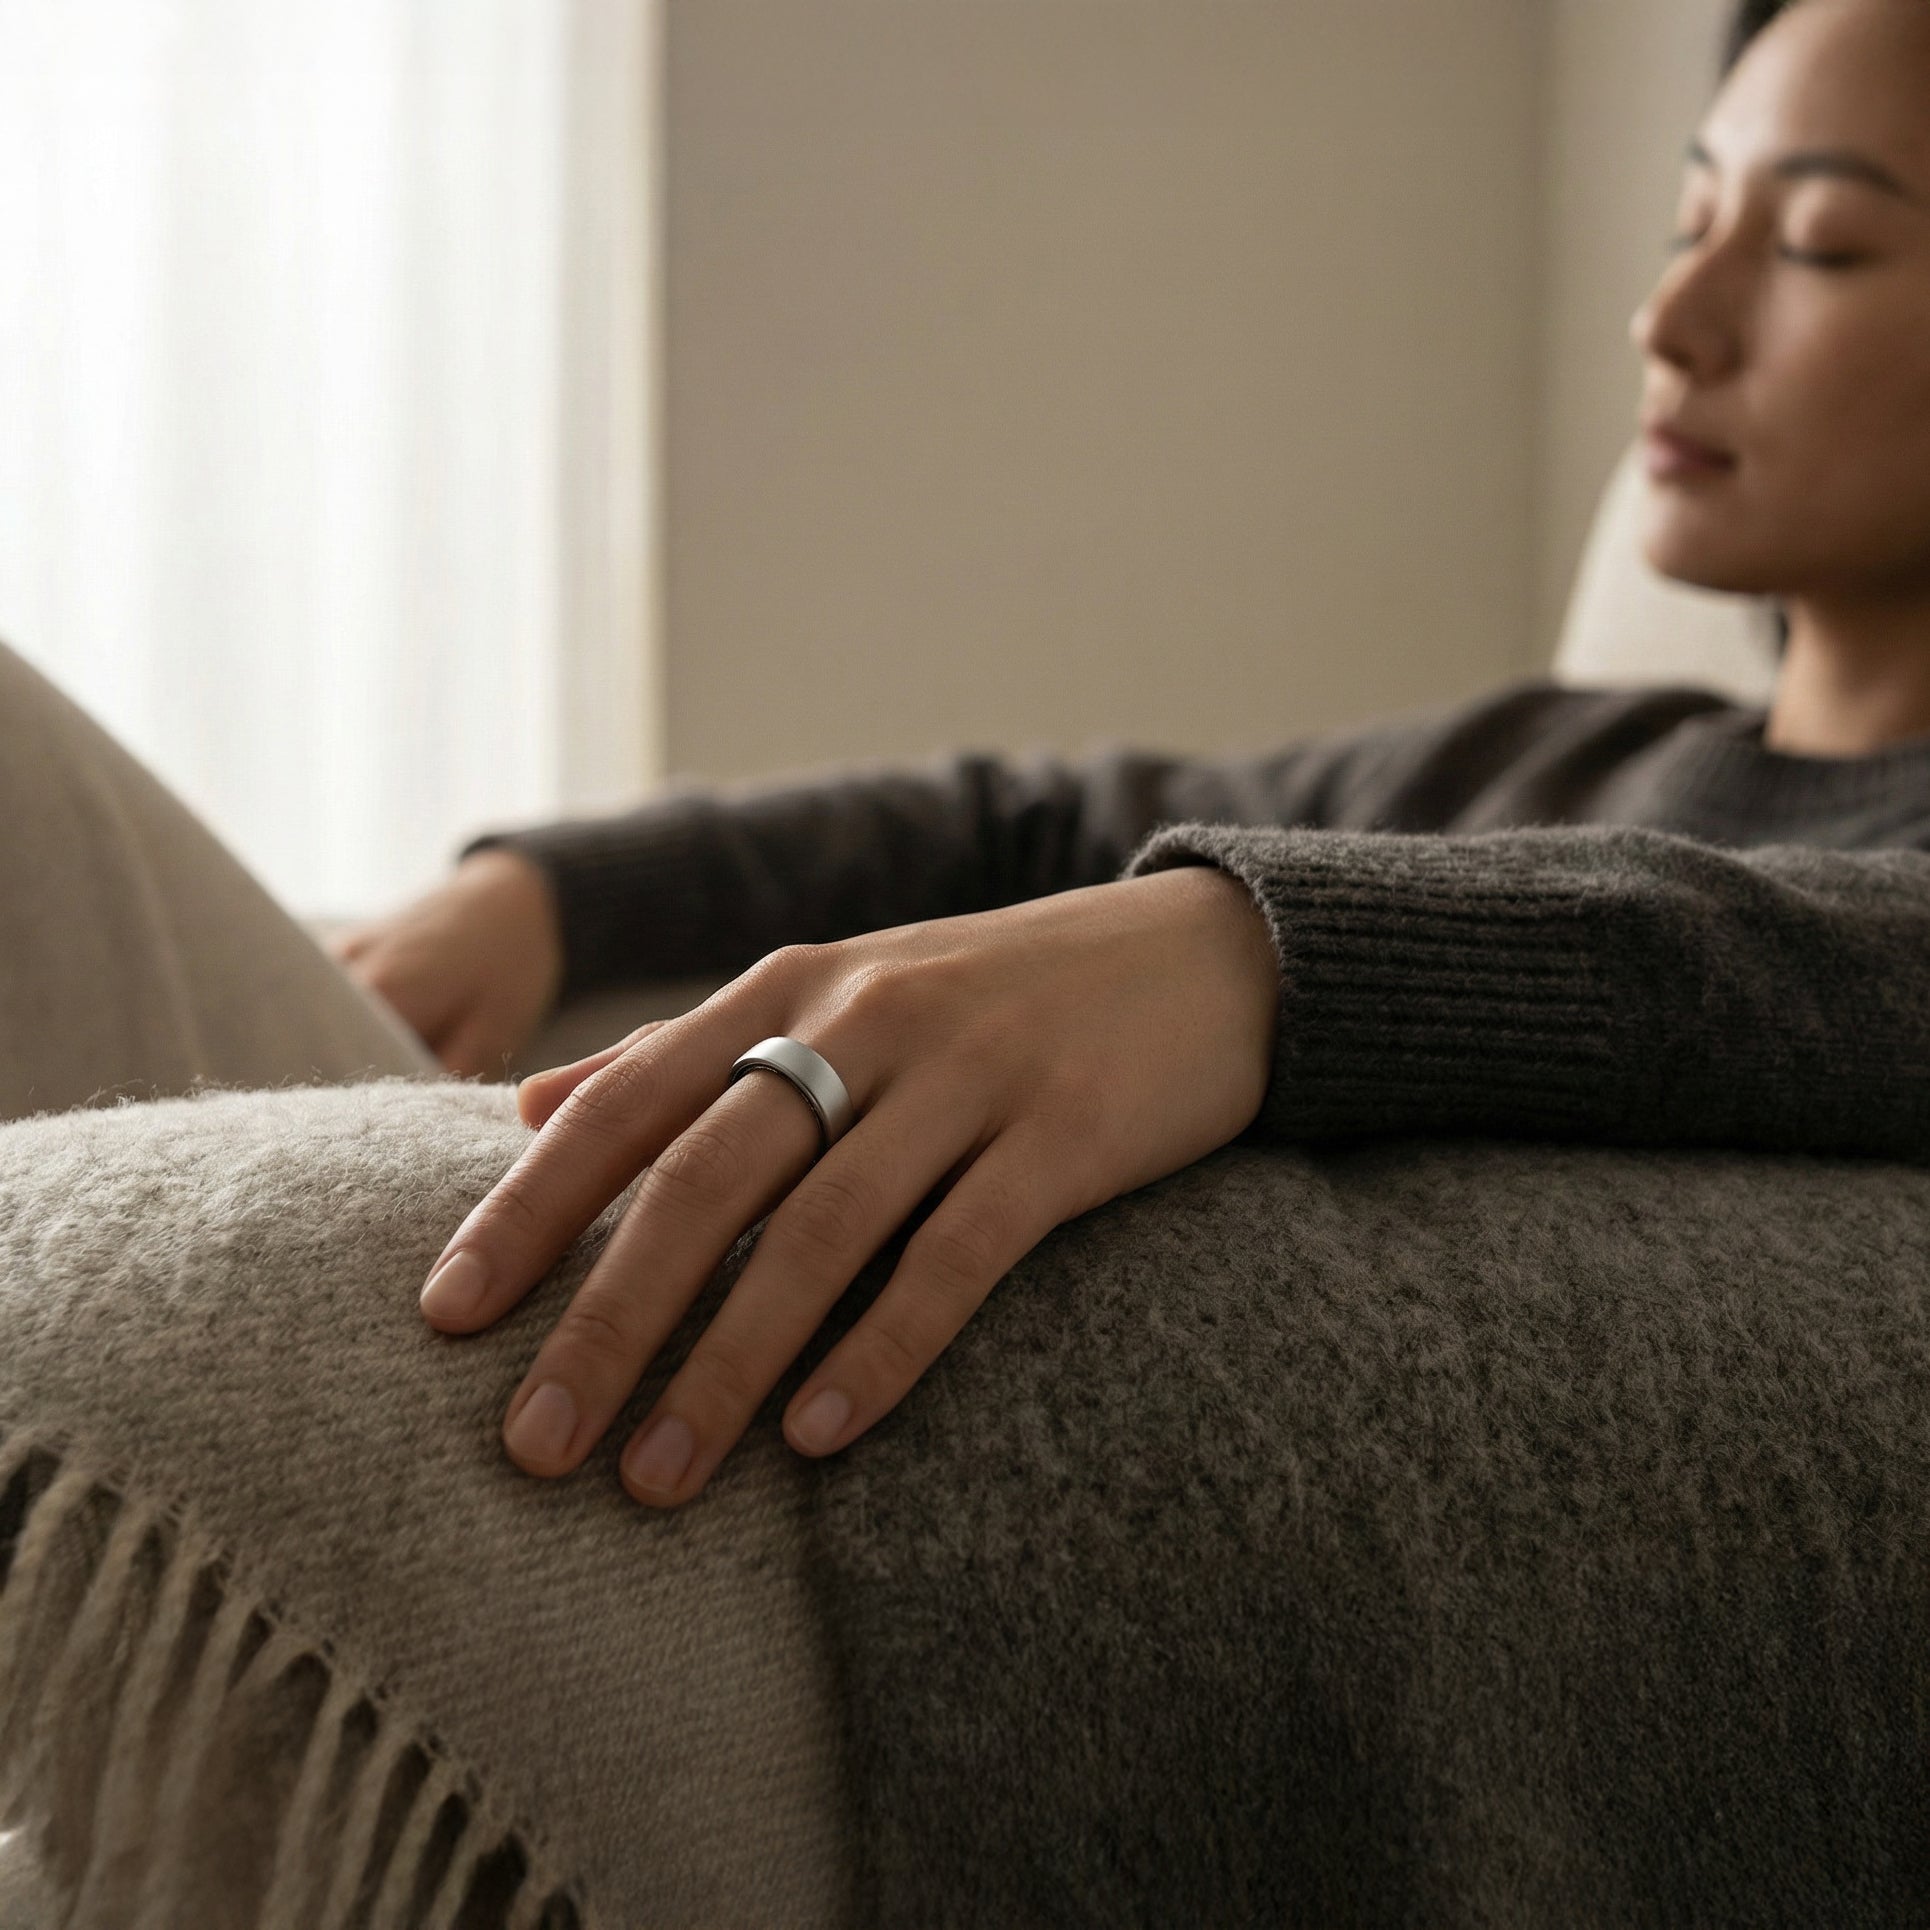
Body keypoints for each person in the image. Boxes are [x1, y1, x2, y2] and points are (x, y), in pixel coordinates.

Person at [9, 0, 1930, 1531]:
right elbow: (1026, 817)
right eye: (1690, 219)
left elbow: (1836, 953)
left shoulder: (1855, 908)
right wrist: (555, 888)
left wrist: (1250, 961)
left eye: (1824, 242)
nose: (1668, 322)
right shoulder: (1564, 751)